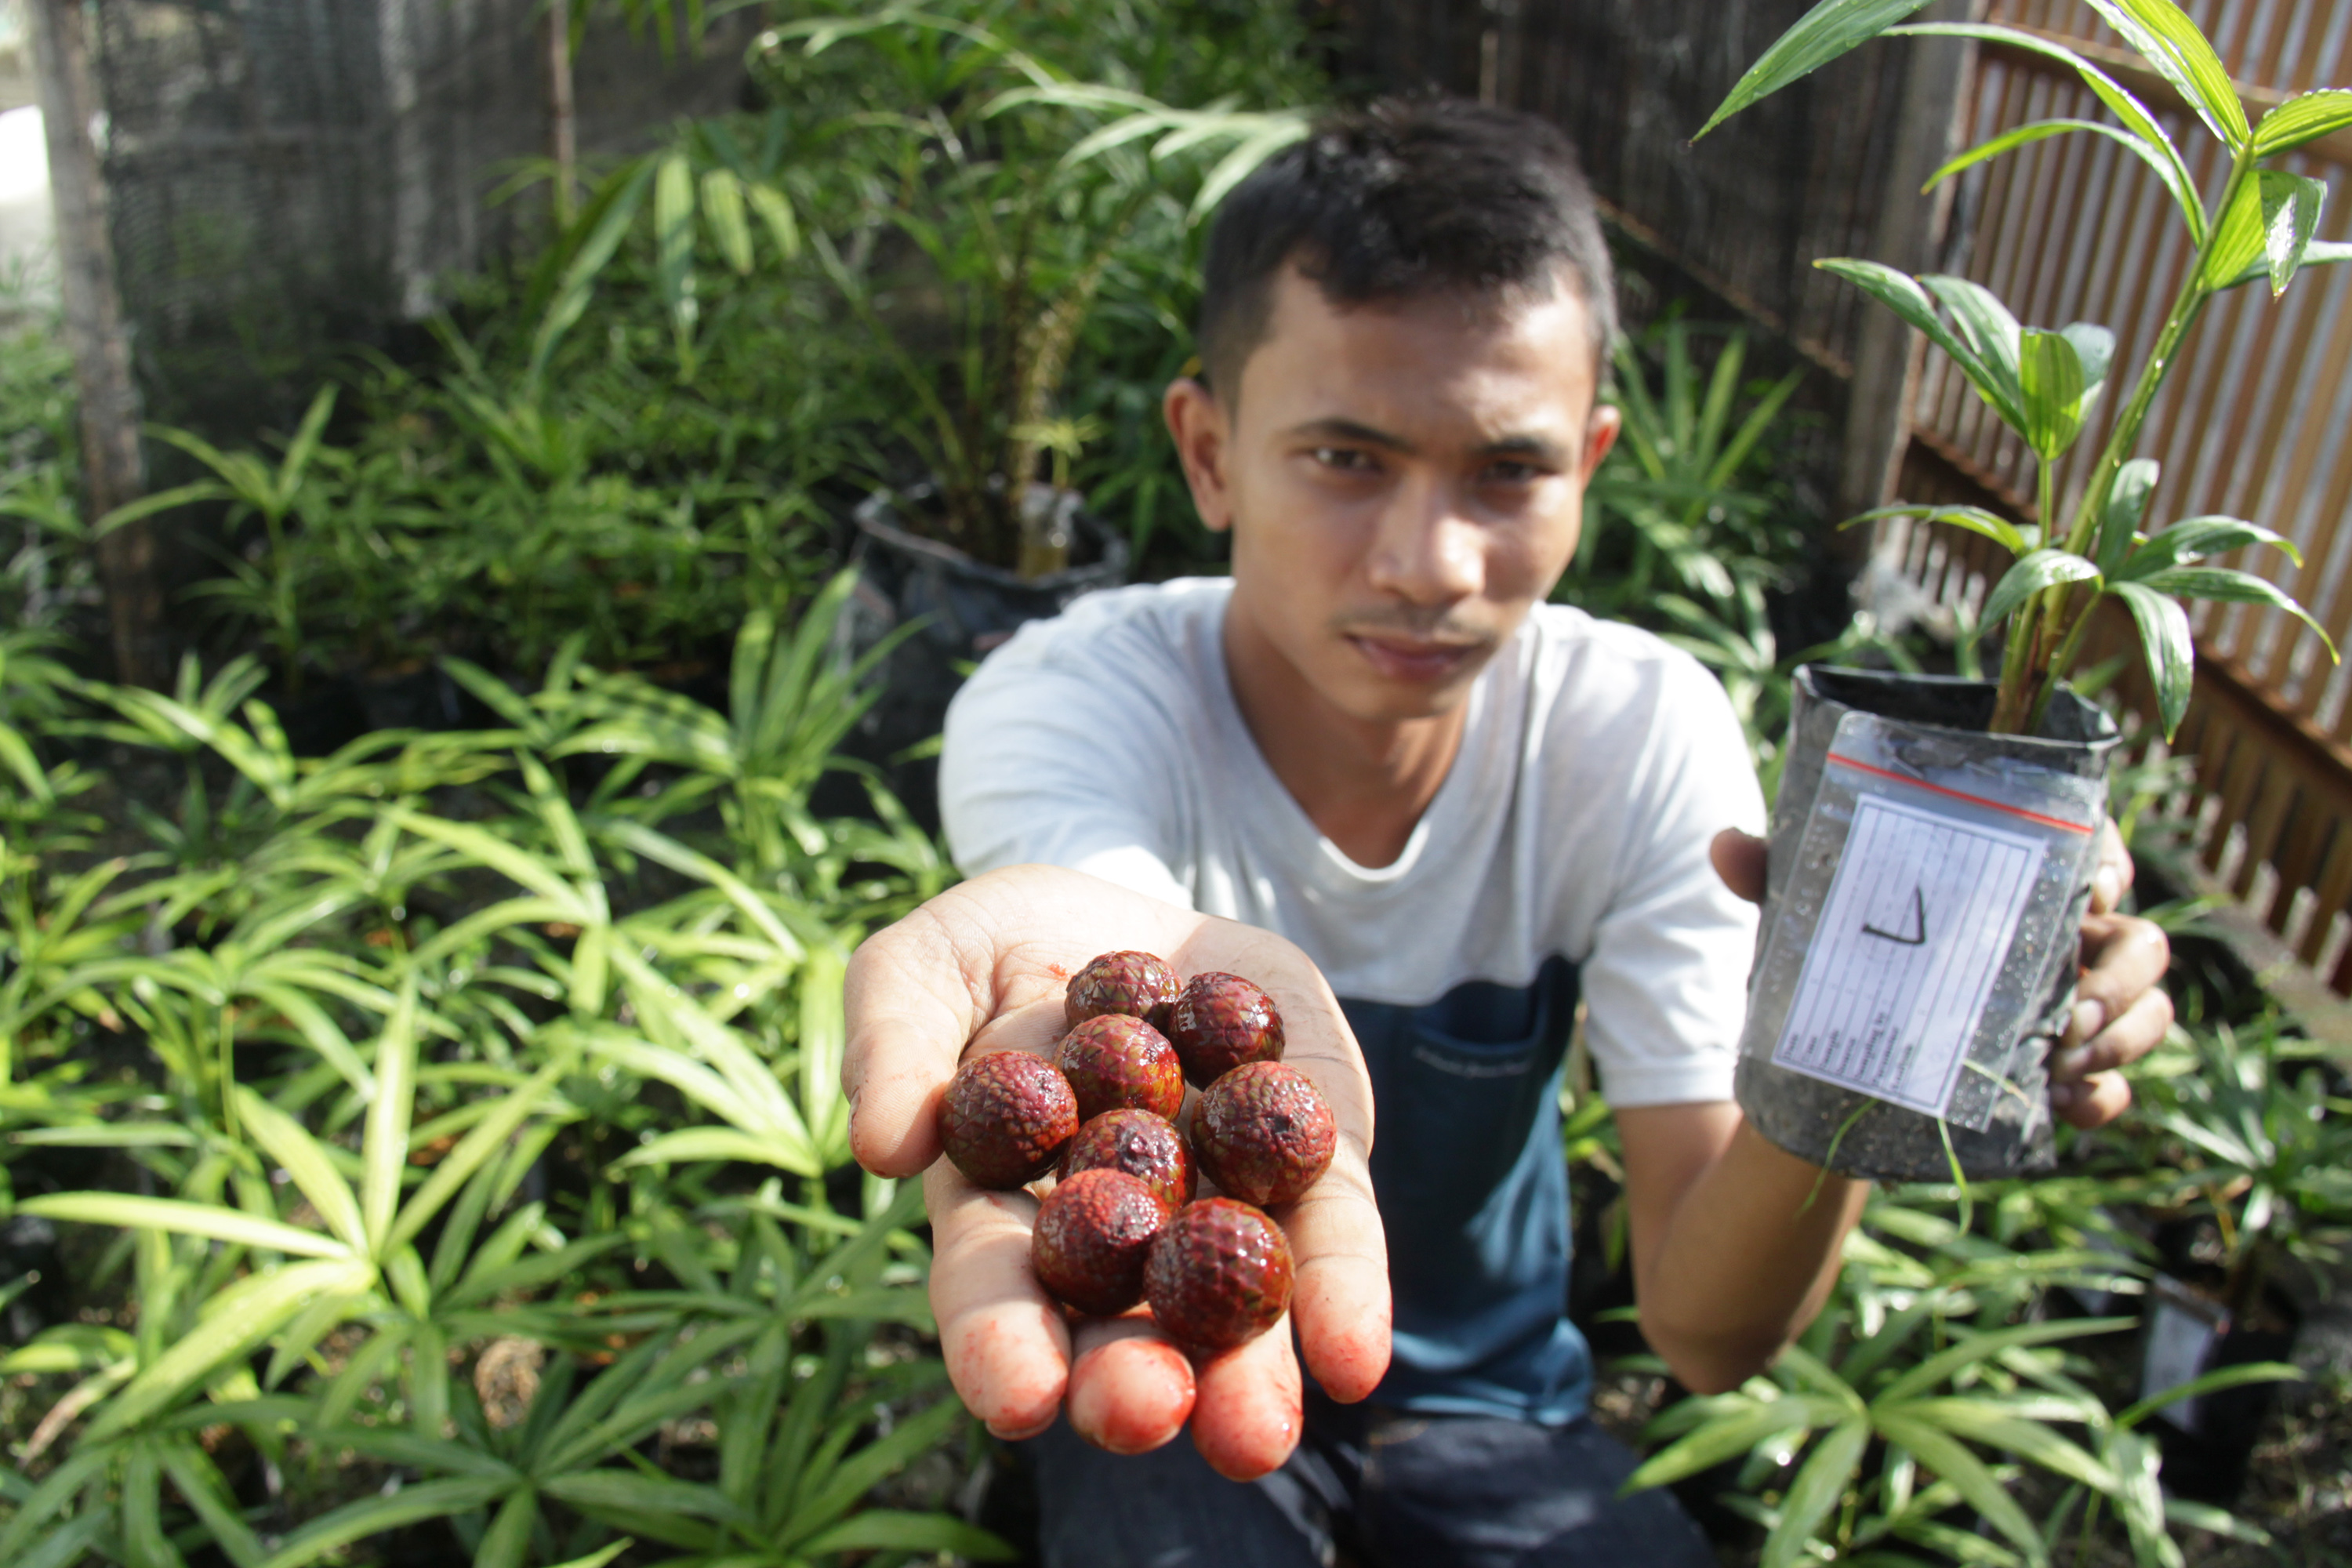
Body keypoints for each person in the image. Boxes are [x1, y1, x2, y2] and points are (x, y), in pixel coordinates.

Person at [840, 98, 2174, 1566]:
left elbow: (1705, 1330)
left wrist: (1867, 1028)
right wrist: (1118, 999)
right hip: (1163, 1345)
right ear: (1209, 452)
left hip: (1493, 1407)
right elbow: (1098, 930)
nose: (1431, 565)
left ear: (1590, 465)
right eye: (1346, 458)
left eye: (1508, 470)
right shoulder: (1069, 704)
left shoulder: (1634, 735)